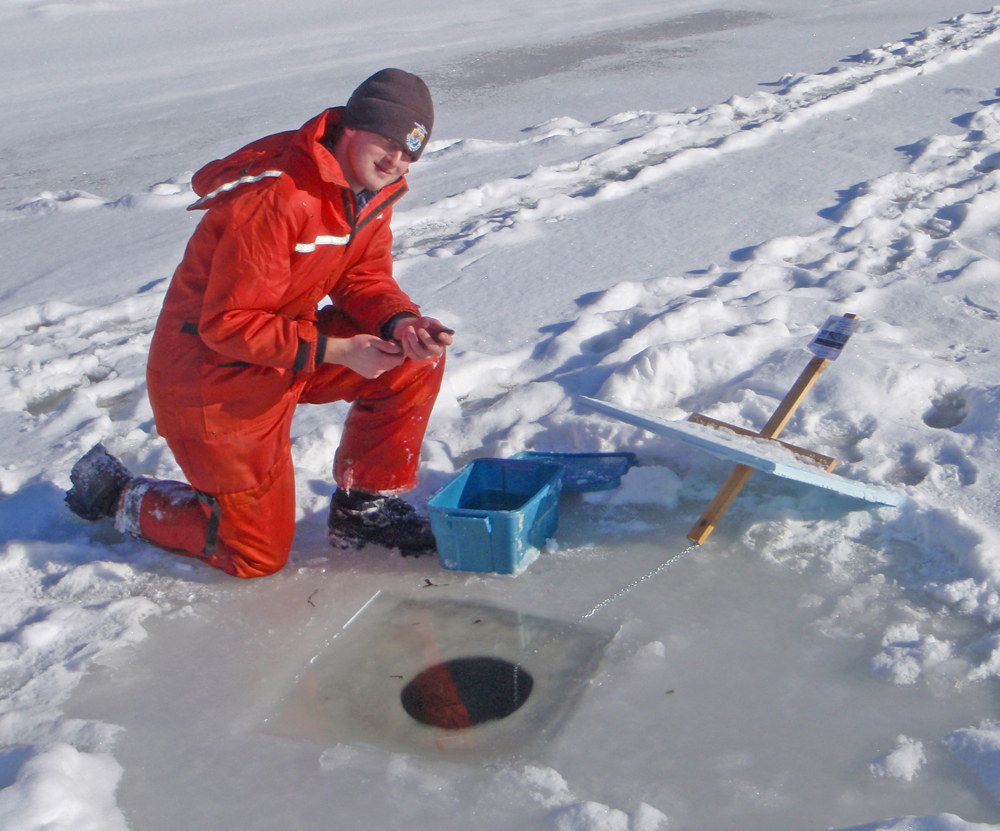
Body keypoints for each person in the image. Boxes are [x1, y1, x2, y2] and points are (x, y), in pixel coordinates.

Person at [64, 69, 454, 579]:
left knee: (411, 362)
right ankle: (119, 496)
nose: (396, 160)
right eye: (388, 141)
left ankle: (364, 512)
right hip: (212, 381)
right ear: (353, 127)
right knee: (255, 557)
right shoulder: (279, 196)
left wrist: (401, 324)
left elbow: (362, 275)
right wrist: (336, 351)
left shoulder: (367, 192)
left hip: (282, 350)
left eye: (410, 152)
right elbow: (226, 324)